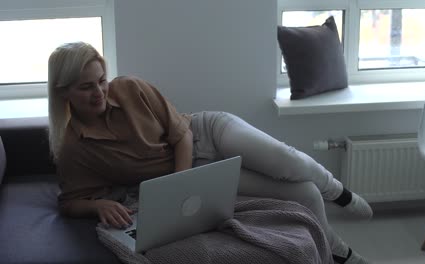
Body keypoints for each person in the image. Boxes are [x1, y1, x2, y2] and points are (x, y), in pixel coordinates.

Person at [48, 41, 372, 264]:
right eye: (86, 86)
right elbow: (70, 202)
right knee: (303, 192)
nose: (98, 92)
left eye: (101, 81)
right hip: (197, 174)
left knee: (286, 161)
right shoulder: (75, 147)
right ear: (64, 92)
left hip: (206, 133)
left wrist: (181, 185)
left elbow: (183, 136)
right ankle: (338, 252)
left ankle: (338, 191)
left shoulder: (131, 88)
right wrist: (97, 205)